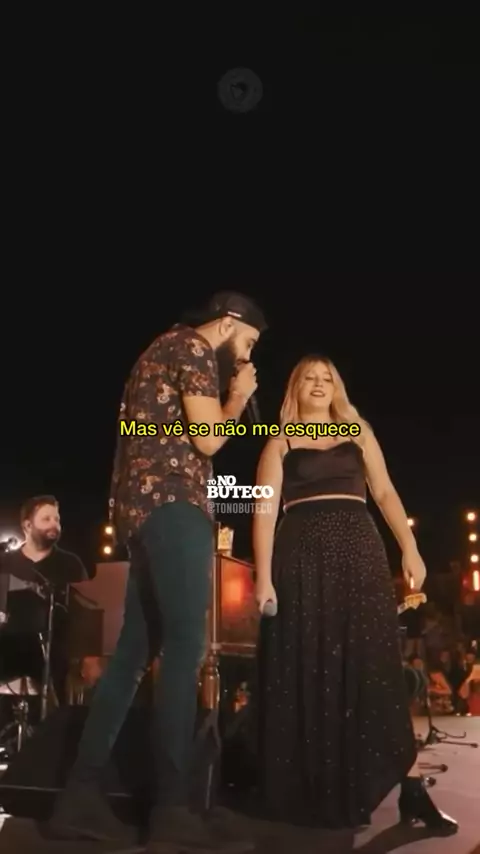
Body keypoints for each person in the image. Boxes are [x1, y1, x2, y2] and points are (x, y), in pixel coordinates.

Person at [49, 292, 266, 852]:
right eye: (248, 342)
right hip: (174, 505)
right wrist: (238, 397)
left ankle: (80, 796)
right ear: (228, 324)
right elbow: (209, 438)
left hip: (140, 512)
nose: (247, 355)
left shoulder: (157, 349)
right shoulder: (193, 347)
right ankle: (173, 808)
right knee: (186, 645)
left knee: (132, 656)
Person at [252, 355, 457, 833]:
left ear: (336, 387)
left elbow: (384, 492)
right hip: (301, 557)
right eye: (310, 378)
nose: (318, 384)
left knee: (376, 665)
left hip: (359, 552)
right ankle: (318, 789)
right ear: (296, 387)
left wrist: (410, 547)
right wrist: (263, 577)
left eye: (327, 378)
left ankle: (412, 790)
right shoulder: (279, 441)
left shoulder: (357, 430)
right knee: (313, 665)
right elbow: (263, 511)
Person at [0, 496, 86, 701]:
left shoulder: (70, 564)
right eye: (46, 519)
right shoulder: (5, 562)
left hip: (56, 656)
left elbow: (84, 614)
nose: (54, 524)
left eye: (57, 519)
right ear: (27, 526)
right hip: (8, 651)